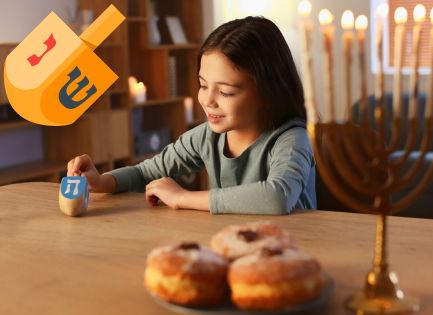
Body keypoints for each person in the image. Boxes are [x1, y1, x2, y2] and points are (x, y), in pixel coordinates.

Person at [67, 16, 316, 214]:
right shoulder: (205, 137)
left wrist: (182, 198)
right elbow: (145, 173)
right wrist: (101, 183)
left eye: (226, 92)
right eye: (203, 85)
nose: (207, 101)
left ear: (267, 91)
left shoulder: (291, 140)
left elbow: (277, 197)